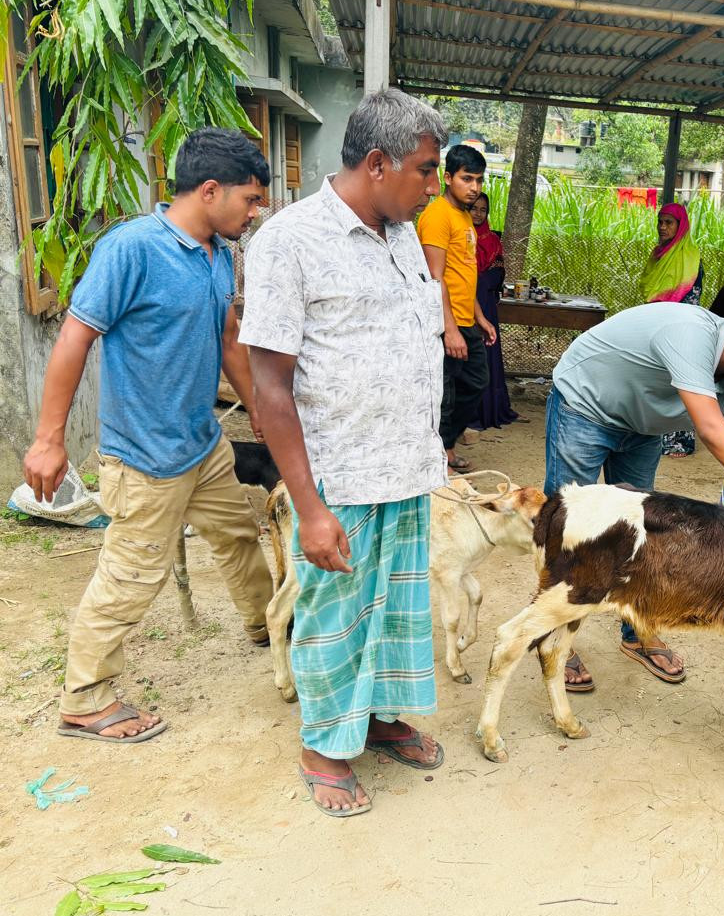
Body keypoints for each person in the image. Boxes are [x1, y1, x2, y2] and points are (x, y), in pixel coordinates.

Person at [21, 128, 275, 744]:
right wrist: (49, 438)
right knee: (131, 575)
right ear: (209, 190)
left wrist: (258, 407)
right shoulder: (132, 249)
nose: (256, 210)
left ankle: (271, 625)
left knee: (240, 535)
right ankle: (85, 698)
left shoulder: (217, 252)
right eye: (249, 198)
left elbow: (228, 335)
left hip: (202, 444)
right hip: (144, 458)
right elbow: (76, 336)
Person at [242, 89, 451, 817]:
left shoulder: (399, 235)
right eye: (426, 171)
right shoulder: (289, 241)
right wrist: (308, 506)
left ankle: (382, 717)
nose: (434, 186)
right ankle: (325, 746)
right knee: (337, 614)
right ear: (376, 163)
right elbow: (270, 387)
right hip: (341, 473)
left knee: (396, 606)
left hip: (404, 464)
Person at [546, 302, 724, 691]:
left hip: (642, 428)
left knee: (641, 536)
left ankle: (637, 632)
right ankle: (554, 639)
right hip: (585, 407)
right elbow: (709, 427)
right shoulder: (691, 334)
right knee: (572, 530)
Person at [417, 144, 496, 473]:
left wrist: (480, 318)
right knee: (444, 396)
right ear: (448, 178)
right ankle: (439, 460)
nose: (474, 187)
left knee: (476, 382)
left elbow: (465, 272)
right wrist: (449, 329)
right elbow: (435, 278)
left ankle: (446, 447)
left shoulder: (464, 217)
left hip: (465, 320)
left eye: (478, 180)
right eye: (467, 179)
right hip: (443, 323)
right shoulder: (437, 216)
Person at [641, 203, 704, 458]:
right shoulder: (658, 255)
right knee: (656, 381)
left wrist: (671, 324)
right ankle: (654, 439)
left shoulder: (690, 257)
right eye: (660, 221)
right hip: (655, 323)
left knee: (678, 385)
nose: (663, 227)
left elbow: (692, 298)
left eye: (669, 222)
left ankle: (680, 442)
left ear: (681, 226)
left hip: (680, 326)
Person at [467, 191, 523, 430]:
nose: (478, 214)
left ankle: (490, 410)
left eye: (483, 210)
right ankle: (468, 414)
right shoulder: (459, 235)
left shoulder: (492, 241)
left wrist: (478, 282)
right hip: (460, 305)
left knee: (487, 355)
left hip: (485, 305)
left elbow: (499, 272)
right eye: (474, 208)